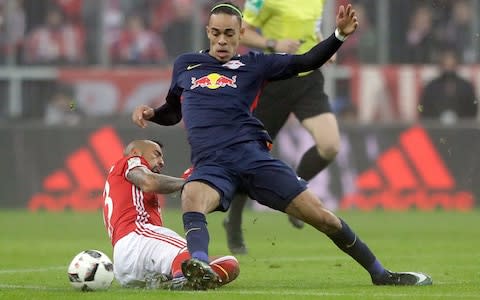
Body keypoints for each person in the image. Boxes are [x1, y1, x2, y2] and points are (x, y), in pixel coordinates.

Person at [132, 2, 432, 288]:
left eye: (230, 34)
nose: (222, 40)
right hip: (212, 164)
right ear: (208, 32)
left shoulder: (256, 64)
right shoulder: (186, 64)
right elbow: (174, 110)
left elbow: (306, 61)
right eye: (216, 33)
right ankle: (198, 267)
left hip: (253, 158)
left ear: (240, 35)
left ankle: (380, 273)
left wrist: (339, 35)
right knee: (192, 195)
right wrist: (153, 114)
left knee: (324, 219)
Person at [222, 0, 342, 255]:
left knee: (330, 145)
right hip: (274, 80)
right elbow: (242, 30)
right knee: (251, 154)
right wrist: (273, 44)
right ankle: (233, 222)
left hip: (308, 79)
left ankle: (297, 192)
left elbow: (314, 29)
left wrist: (326, 46)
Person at [102, 139, 239, 290]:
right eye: (156, 154)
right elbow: (150, 182)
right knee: (189, 255)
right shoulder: (131, 161)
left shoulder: (119, 180)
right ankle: (182, 280)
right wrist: (192, 181)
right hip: (139, 236)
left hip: (125, 262)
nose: (161, 162)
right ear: (135, 152)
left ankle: (173, 282)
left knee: (228, 263)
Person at [419, 47, 477, 123]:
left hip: (462, 129)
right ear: (440, 65)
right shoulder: (430, 87)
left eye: (451, 64)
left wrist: (463, 121)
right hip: (435, 128)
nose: (448, 67)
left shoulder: (466, 86)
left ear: (456, 64)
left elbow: (473, 107)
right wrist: (431, 121)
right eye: (445, 64)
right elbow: (421, 107)